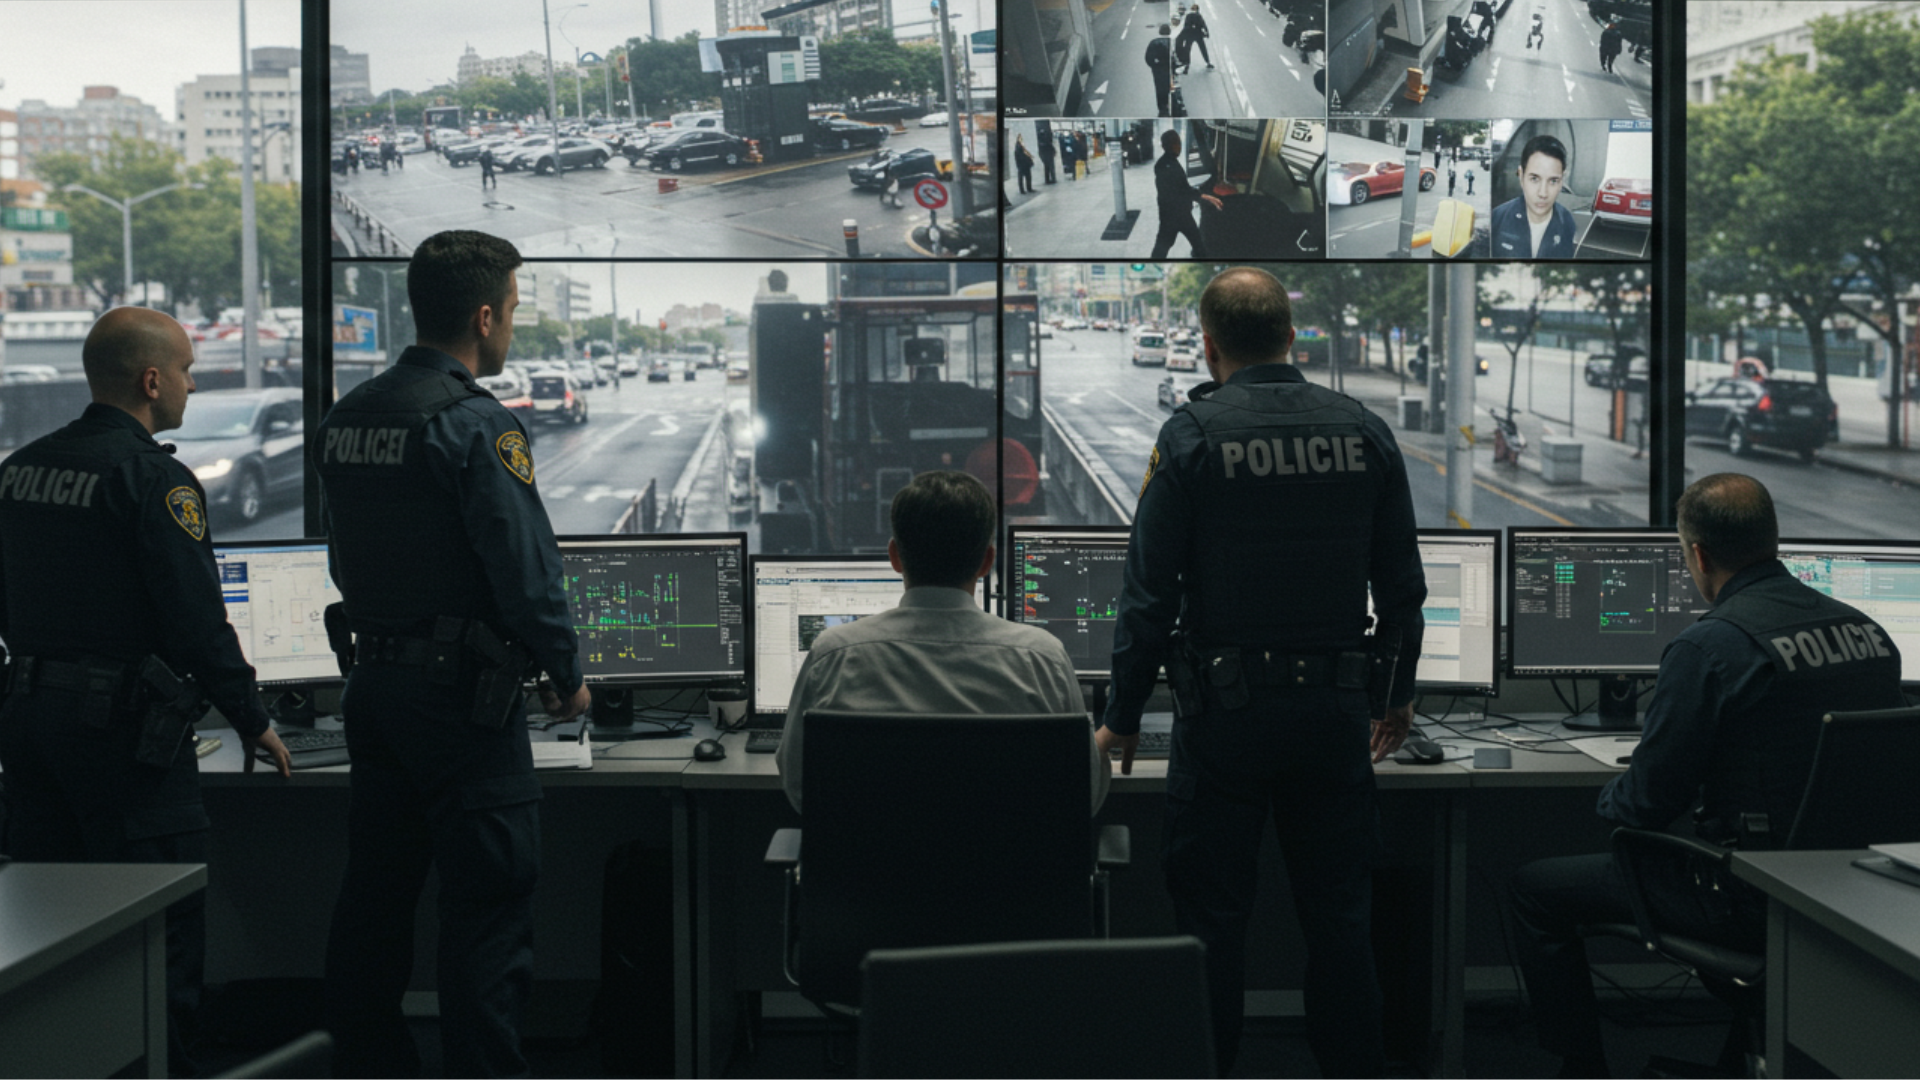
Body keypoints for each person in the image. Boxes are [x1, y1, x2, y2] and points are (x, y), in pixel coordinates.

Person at [1096, 267, 1427, 1077]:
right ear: (1291, 335)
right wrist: (1395, 696)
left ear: (1208, 347)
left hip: (1228, 721)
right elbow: (1405, 590)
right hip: (1335, 719)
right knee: (1341, 921)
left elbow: (1147, 599)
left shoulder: (1192, 437)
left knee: (1213, 927)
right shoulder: (1365, 431)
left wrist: (1124, 715)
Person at [1508, 474, 1905, 1079]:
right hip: (1848, 892)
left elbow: (1641, 807)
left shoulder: (1709, 647)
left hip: (1745, 897)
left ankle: (1582, 1068)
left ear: (1697, 554)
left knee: (1535, 889)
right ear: (1773, 539)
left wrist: (1619, 782)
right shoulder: (1869, 634)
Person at [317, 230, 591, 1078]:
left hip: (376, 690)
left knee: (376, 904)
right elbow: (527, 572)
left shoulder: (349, 416)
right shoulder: (475, 423)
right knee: (487, 914)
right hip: (461, 704)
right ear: (482, 316)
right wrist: (567, 676)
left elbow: (342, 558)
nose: (512, 327)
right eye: (512, 311)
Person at [0, 306, 293, 1075]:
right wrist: (251, 717)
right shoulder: (153, 477)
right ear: (152, 379)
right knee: (157, 930)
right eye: (190, 371)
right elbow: (196, 617)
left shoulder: (20, 468)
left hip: (28, 725)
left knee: (53, 932)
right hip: (120, 739)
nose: (195, 385)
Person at [775, 470, 1110, 815]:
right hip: (1004, 869)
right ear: (986, 562)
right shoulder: (1043, 659)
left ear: (894, 556)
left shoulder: (832, 655)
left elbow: (798, 782)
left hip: (874, 868)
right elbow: (1085, 793)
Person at [1490, 133, 1577, 259]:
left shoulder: (1567, 221)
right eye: (1535, 179)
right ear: (1521, 175)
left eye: (1553, 181)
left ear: (1562, 180)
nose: (1543, 193)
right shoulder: (1497, 218)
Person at [1149, 129, 1223, 260]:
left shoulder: (1168, 163)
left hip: (1178, 216)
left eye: (1179, 142)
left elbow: (1181, 188)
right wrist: (1205, 197)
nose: (1180, 146)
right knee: (1163, 250)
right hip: (1174, 218)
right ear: (1168, 146)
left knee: (1196, 246)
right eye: (1177, 143)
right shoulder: (1165, 166)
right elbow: (1179, 191)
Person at [1146, 25, 1175, 118]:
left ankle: (1163, 109)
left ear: (1160, 32)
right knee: (1172, 88)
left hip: (1159, 70)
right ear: (1169, 32)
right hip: (1171, 69)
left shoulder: (1154, 42)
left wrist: (1155, 66)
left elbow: (1148, 58)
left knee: (1160, 89)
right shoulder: (1174, 41)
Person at [1177, 5, 1213, 73]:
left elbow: (1185, 26)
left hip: (1189, 35)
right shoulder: (1198, 16)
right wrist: (1207, 33)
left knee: (1187, 49)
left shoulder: (1188, 16)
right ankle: (1208, 62)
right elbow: (1203, 24)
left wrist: (1183, 36)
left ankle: (1186, 65)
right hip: (1198, 35)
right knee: (1203, 48)